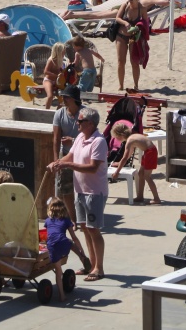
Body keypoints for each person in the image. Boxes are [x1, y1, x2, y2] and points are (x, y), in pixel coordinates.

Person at [47, 106, 107, 281]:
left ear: (89, 123)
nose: (76, 123)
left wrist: (67, 165)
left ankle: (99, 268)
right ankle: (91, 265)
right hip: (80, 190)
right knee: (85, 229)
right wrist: (58, 162)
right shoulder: (81, 136)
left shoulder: (99, 141)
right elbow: (71, 156)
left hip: (94, 192)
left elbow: (93, 167)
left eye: (80, 121)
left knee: (93, 229)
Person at [52, 85, 83, 224]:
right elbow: (56, 138)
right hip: (66, 156)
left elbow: (92, 138)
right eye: (63, 96)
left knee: (83, 190)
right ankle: (73, 219)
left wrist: (74, 141)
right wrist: (56, 160)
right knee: (66, 189)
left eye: (66, 97)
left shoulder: (84, 114)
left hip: (83, 157)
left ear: (74, 99)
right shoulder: (59, 113)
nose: (63, 99)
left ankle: (83, 218)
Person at [110, 122, 162, 204]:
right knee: (140, 174)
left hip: (150, 152)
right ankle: (140, 196)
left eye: (117, 137)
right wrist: (118, 163)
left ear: (121, 135)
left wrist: (117, 172)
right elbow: (128, 156)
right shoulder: (132, 137)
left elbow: (124, 158)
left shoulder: (129, 140)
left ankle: (156, 198)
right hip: (148, 152)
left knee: (147, 176)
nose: (117, 139)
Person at [44, 199, 84, 301]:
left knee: (58, 270)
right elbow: (74, 237)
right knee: (70, 242)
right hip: (63, 244)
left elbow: (47, 236)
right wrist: (81, 249)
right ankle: (81, 256)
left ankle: (62, 295)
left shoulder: (47, 221)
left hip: (52, 246)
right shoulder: (66, 220)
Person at [113, 0, 147, 92]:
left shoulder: (142, 9)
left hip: (134, 37)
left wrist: (139, 28)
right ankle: (120, 85)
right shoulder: (125, 5)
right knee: (120, 61)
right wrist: (125, 23)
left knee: (134, 62)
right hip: (121, 35)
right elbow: (117, 18)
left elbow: (146, 24)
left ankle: (136, 85)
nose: (129, 1)